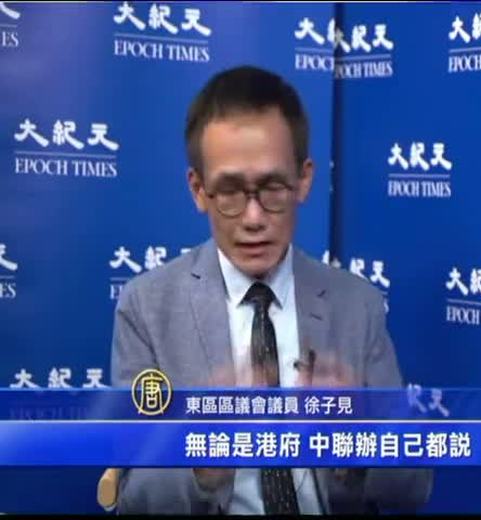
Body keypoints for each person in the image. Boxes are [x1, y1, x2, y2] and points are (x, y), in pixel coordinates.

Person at [110, 65, 433, 514]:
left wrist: (357, 439)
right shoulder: (146, 308)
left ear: (304, 180)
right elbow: (131, 496)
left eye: (273, 187)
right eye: (229, 191)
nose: (254, 218)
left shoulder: (357, 306)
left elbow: (413, 486)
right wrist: (205, 457)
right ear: (198, 190)